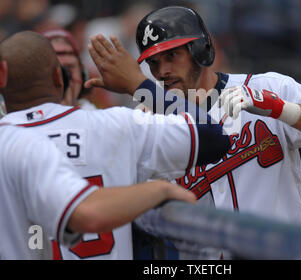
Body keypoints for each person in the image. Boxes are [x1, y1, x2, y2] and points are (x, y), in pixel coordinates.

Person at [129, 6, 301, 258]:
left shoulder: (266, 87)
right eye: (154, 62)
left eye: (172, 55)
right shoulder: (153, 125)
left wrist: (279, 108)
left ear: (201, 49)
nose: (162, 71)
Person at [0, 31, 230, 260]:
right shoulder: (114, 124)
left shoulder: (8, 142)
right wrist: (139, 85)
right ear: (60, 78)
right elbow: (211, 136)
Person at [42, 28, 96, 110]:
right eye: (55, 72)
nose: (63, 82)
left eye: (68, 71)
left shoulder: (98, 118)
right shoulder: (18, 119)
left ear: (83, 75)